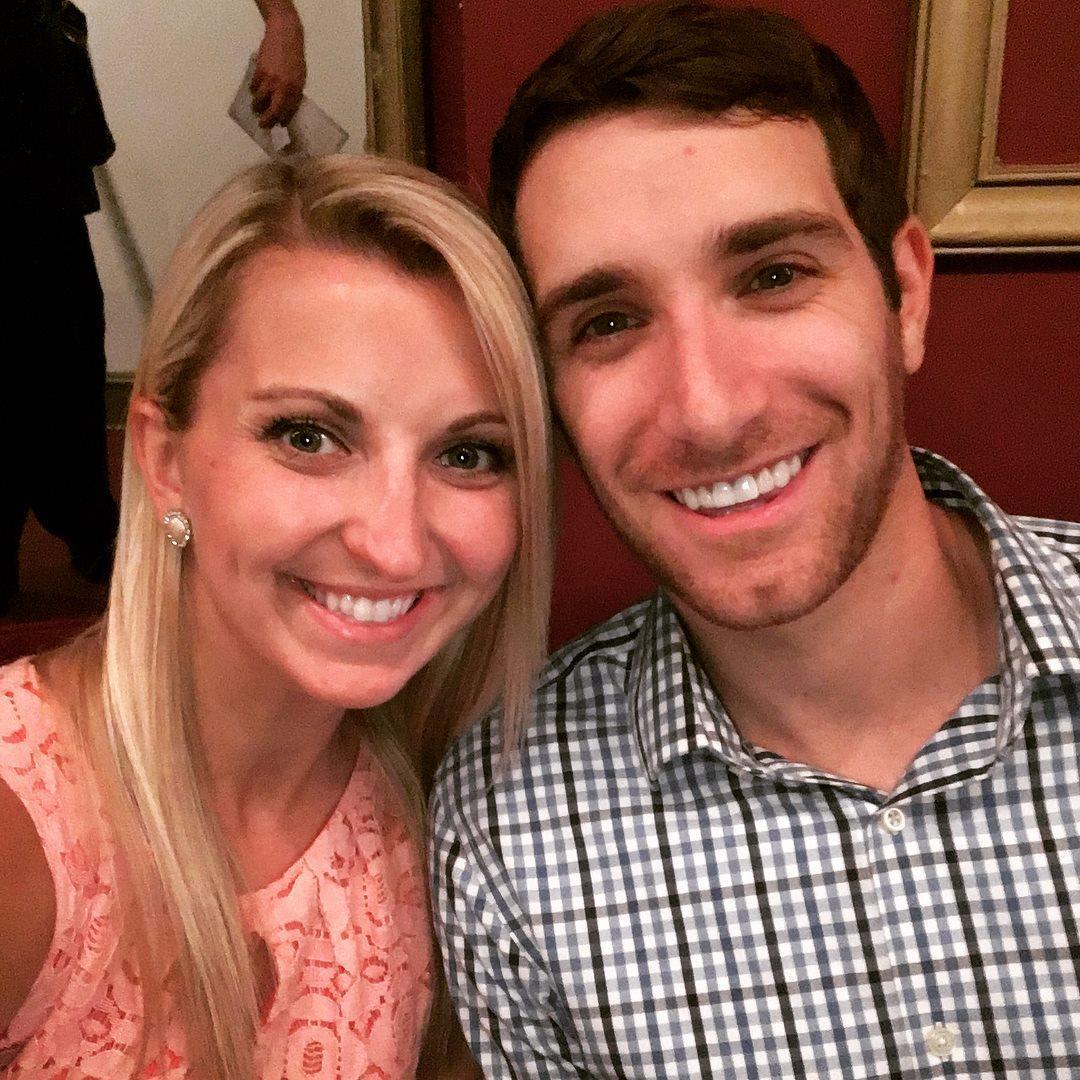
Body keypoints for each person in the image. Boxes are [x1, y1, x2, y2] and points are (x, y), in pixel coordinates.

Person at [430, 4, 1080, 1077]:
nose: (709, 410)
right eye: (607, 322)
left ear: (906, 295)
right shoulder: (503, 829)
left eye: (773, 275)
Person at [0, 154, 552, 1078]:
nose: (394, 545)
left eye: (468, 454)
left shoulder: (445, 812)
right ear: (164, 459)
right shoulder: (22, 827)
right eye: (309, 436)